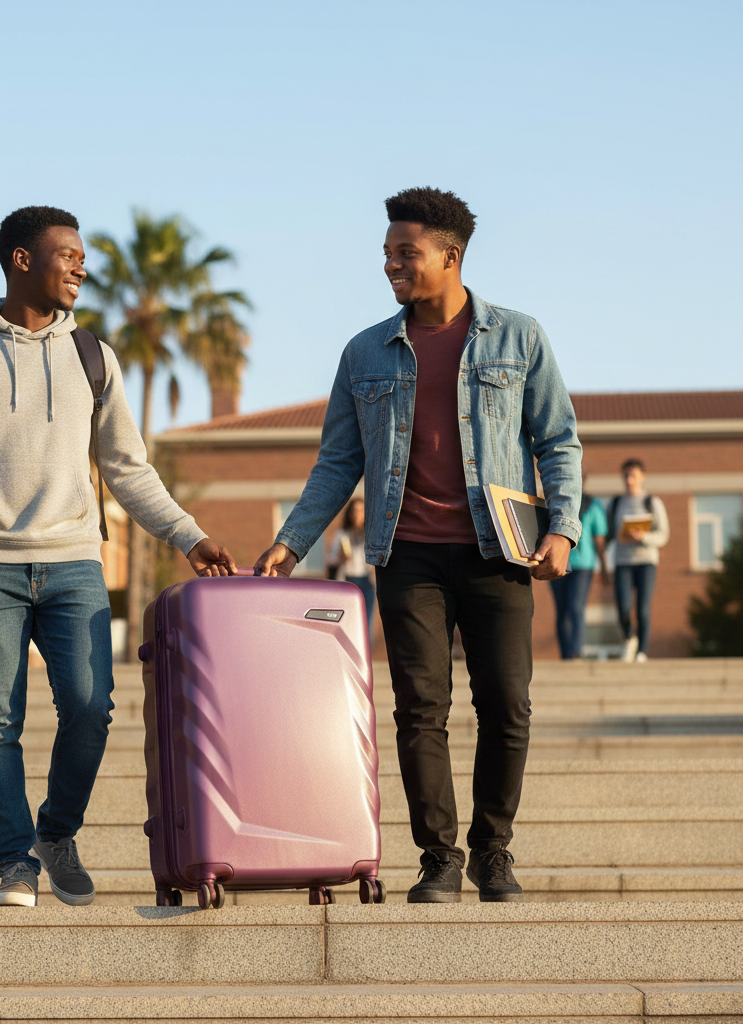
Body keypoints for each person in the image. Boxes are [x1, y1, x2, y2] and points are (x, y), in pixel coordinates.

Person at [255, 187, 582, 904]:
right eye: (387, 253)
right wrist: (291, 542)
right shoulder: (365, 351)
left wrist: (562, 527)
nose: (391, 265)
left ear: (450, 255)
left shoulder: (518, 338)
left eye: (406, 253)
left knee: (506, 704)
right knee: (419, 707)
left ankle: (494, 852)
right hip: (407, 557)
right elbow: (338, 462)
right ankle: (440, 856)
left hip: (497, 552)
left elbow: (558, 439)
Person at [0, 206, 235, 909]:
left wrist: (188, 534)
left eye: (83, 256)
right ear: (23, 260)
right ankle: (16, 864)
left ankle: (56, 831)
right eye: (68, 254)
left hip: (75, 561)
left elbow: (128, 468)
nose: (81, 267)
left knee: (90, 707)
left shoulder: (94, 357)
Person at [608, 458, 669, 662]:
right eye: (625, 475)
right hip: (622, 562)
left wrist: (643, 537)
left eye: (633, 475)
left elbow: (663, 534)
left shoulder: (652, 502)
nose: (629, 479)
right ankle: (629, 638)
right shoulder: (616, 503)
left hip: (646, 562)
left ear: (642, 477)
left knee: (643, 608)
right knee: (623, 608)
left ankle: (641, 651)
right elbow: (607, 535)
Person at [550, 473, 608, 659]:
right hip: (558, 561)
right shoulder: (554, 500)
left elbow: (598, 539)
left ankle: (575, 652)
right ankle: (565, 654)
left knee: (576, 606)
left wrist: (605, 567)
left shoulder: (593, 504)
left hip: (583, 565)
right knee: (562, 610)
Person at [327, 498, 376, 635]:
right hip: (348, 581)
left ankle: (366, 656)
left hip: (367, 581)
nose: (357, 514)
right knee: (348, 622)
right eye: (354, 511)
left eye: (361, 511)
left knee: (367, 624)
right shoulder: (342, 534)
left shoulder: (370, 535)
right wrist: (340, 557)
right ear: (349, 514)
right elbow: (331, 561)